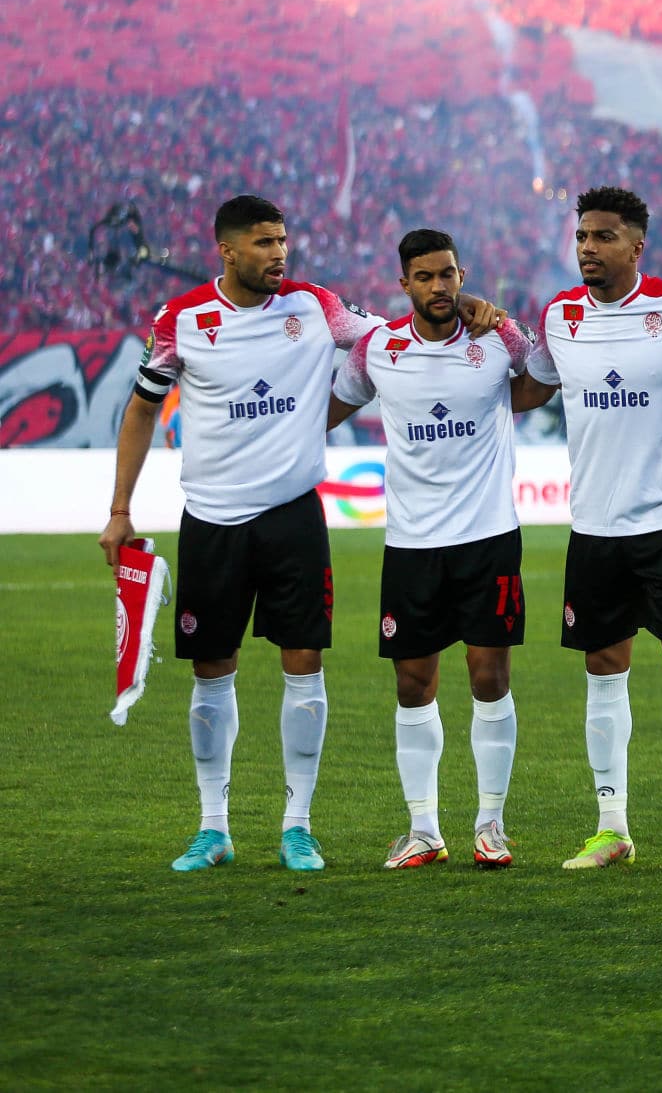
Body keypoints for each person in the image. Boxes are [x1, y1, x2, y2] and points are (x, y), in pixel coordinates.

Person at [97, 194, 500, 873]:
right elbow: (141, 409)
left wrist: (465, 306)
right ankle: (213, 827)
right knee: (211, 668)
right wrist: (119, 508)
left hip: (293, 516)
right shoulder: (181, 320)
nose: (279, 253)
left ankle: (298, 827)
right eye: (264, 243)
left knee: (305, 663)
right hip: (213, 518)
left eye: (282, 240)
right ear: (227, 250)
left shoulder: (316, 307)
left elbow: (397, 334)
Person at [516, 187, 662, 872]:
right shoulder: (561, 315)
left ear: (636, 246)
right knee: (602, 669)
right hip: (595, 527)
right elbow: (529, 385)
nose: (588, 247)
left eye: (604, 236)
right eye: (583, 235)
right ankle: (611, 826)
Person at [327, 230, 538, 870]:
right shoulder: (378, 349)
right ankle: (423, 829)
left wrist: (507, 323)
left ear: (461, 275)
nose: (438, 286)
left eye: (447, 274)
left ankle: (490, 825)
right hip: (412, 543)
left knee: (489, 677)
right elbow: (327, 410)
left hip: (488, 537)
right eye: (425, 277)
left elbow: (542, 380)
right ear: (405, 284)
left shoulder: (496, 339)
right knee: (413, 683)